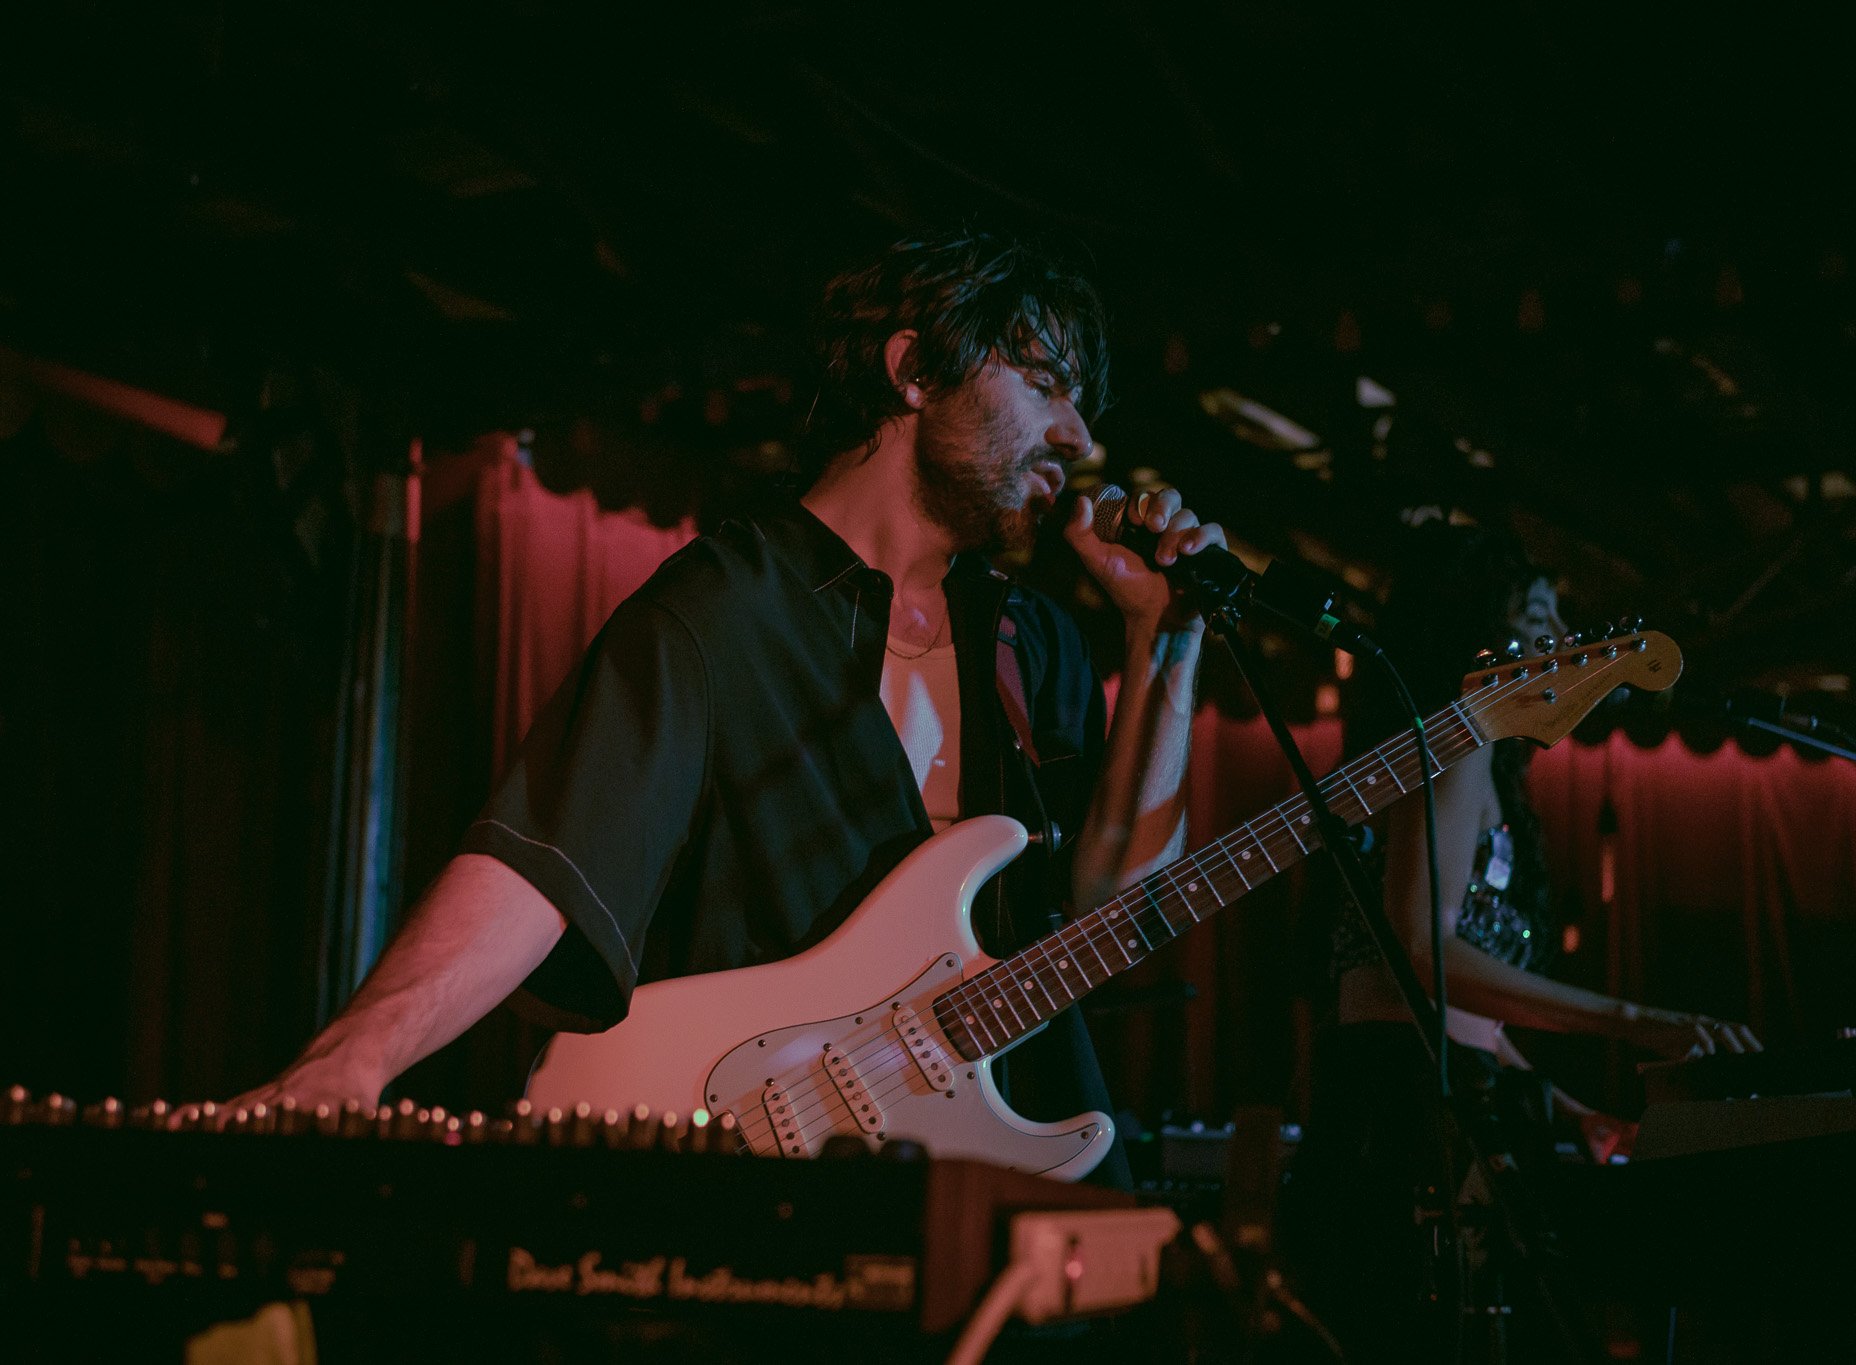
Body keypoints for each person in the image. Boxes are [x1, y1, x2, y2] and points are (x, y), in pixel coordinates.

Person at [220, 231, 1227, 1187]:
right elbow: (544, 862)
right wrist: (354, 1058)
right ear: (913, 369)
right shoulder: (722, 613)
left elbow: (1113, 914)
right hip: (785, 1167)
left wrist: (1163, 637)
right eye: (1042, 385)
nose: (1079, 435)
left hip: (1002, 1175)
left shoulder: (1031, 641)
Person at [1282, 514, 1761, 1354]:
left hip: (1440, 1089)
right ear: (1475, 635)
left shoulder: (1481, 768)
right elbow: (1418, 954)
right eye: (1536, 623)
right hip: (1393, 1112)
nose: (1561, 646)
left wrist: (1572, 1107)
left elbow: (1462, 1018)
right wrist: (1635, 1021)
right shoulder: (1446, 744)